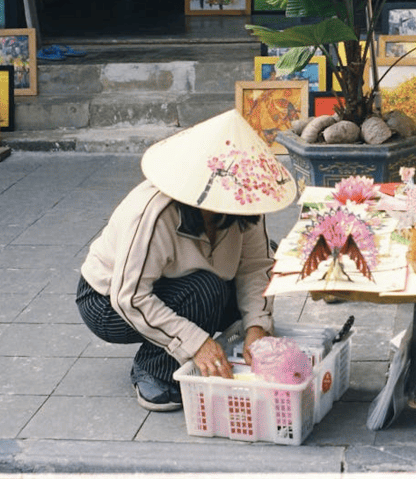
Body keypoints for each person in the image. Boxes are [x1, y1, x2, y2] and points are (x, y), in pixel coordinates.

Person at [76, 110, 297, 411]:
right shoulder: (153, 215)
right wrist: (198, 344)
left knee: (258, 263)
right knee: (204, 291)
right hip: (108, 300)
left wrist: (257, 329)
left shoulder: (245, 205)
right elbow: (129, 297)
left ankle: (180, 339)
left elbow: (256, 265)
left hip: (183, 283)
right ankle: (154, 368)